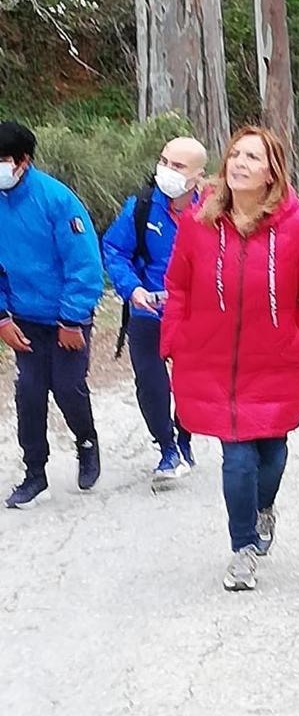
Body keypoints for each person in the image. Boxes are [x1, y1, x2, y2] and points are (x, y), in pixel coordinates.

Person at [161, 126, 299, 592]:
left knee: (272, 454)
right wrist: (174, 338)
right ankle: (242, 550)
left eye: (251, 157)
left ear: (271, 171)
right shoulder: (200, 223)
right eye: (234, 155)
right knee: (236, 458)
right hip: (212, 363)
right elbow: (176, 285)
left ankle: (263, 509)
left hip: (276, 361)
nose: (238, 163)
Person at [0, 121, 104, 508]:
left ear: (24, 161)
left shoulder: (57, 200)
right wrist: (2, 318)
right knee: (28, 392)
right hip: (24, 317)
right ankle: (34, 472)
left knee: (67, 386)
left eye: (4, 161)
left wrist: (72, 319)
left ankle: (87, 441)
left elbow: (84, 263)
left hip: (66, 315)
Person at [102, 137, 207, 483]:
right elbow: (114, 249)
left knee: (191, 382)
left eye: (178, 166)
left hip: (196, 315)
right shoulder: (142, 206)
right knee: (150, 383)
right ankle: (166, 449)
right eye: (164, 161)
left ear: (197, 175)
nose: (167, 171)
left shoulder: (213, 209)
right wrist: (132, 289)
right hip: (148, 312)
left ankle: (185, 438)